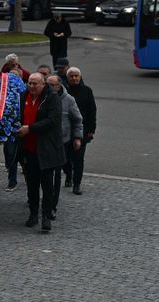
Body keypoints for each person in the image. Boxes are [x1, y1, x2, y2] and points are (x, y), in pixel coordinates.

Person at [17, 73, 65, 232]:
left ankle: (46, 216)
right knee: (31, 185)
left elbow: (52, 121)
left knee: (47, 184)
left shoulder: (52, 98)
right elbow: (20, 115)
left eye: (35, 84)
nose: (31, 86)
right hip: (29, 148)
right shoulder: (24, 96)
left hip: (46, 149)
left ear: (43, 84)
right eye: (29, 83)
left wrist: (30, 128)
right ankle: (33, 214)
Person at [46, 74, 83, 217]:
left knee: (56, 175)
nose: (49, 88)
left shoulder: (68, 100)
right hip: (44, 142)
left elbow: (77, 120)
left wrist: (77, 137)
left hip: (62, 141)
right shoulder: (43, 98)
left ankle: (52, 206)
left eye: (52, 85)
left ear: (59, 85)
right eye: (47, 84)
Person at [66, 67, 97, 195]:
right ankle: (68, 175)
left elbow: (92, 111)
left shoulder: (87, 91)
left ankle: (77, 184)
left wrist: (91, 130)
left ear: (80, 76)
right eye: (71, 76)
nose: (74, 78)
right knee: (66, 158)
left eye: (76, 76)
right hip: (66, 130)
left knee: (79, 158)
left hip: (82, 130)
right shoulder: (64, 91)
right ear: (67, 78)